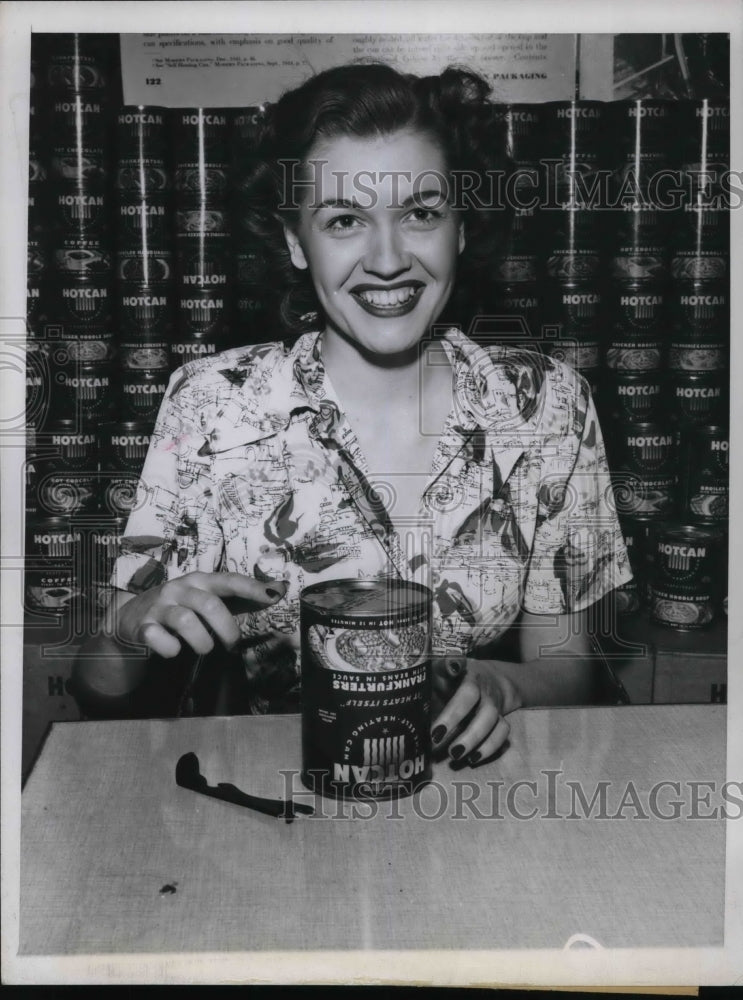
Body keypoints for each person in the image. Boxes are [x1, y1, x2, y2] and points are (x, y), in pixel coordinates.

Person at [72, 63, 632, 766]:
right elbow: (101, 692)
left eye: (420, 213)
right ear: (294, 240)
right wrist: (128, 628)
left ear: (461, 226)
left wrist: (501, 684)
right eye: (343, 220)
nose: (388, 259)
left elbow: (568, 669)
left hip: (476, 809)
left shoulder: (547, 404)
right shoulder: (212, 402)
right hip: (275, 812)